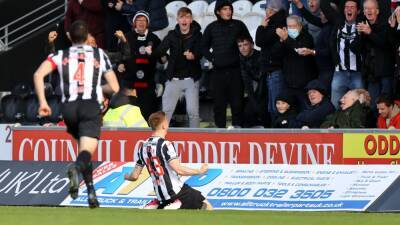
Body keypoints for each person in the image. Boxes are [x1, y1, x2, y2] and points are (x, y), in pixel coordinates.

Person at [33, 20, 120, 208]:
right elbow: (114, 86)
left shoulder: (61, 55)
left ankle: (91, 193)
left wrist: (43, 103)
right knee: (86, 152)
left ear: (70, 37)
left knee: (82, 148)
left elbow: (38, 75)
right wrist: (98, 88)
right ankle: (75, 168)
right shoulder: (99, 54)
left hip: (68, 109)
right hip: (89, 106)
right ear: (87, 35)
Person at [124, 111, 213, 210]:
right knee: (207, 205)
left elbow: (134, 176)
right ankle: (176, 203)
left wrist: (126, 176)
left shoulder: (143, 147)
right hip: (177, 192)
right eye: (166, 121)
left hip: (161, 195)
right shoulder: (165, 145)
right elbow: (179, 170)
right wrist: (200, 171)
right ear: (163, 126)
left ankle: (165, 204)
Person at [201, 0, 251, 128]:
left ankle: (238, 132)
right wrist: (213, 58)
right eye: (224, 9)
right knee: (219, 106)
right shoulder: (211, 27)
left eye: (229, 9)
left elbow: (248, 42)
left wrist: (243, 54)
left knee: (237, 104)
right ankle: (220, 133)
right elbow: (203, 46)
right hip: (218, 73)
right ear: (218, 11)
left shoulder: (239, 25)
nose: (228, 11)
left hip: (236, 72)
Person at [151, 7, 202, 128]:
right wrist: (152, 51)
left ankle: (194, 140)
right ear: (177, 20)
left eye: (187, 17)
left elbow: (201, 52)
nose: (184, 20)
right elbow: (160, 51)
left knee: (193, 113)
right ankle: (161, 137)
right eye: (182, 17)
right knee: (166, 112)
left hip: (191, 79)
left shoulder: (198, 35)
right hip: (173, 79)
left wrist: (193, 56)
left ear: (191, 20)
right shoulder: (171, 35)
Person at [115, 11, 161, 120]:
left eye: (144, 20)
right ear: (134, 23)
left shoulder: (154, 38)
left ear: (147, 23)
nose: (141, 23)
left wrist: (157, 54)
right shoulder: (126, 37)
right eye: (139, 20)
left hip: (148, 85)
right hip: (130, 84)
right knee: (128, 114)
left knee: (147, 113)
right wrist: (120, 64)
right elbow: (120, 54)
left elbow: (162, 57)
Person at [320, 0, 364, 109]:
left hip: (357, 73)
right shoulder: (338, 21)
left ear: (358, 11)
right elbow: (324, 5)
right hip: (340, 72)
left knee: (359, 106)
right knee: (335, 106)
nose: (349, 9)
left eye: (352, 7)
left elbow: (358, 48)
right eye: (346, 7)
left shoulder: (363, 24)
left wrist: (361, 34)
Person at [358, 0, 396, 114]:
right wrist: (360, 35)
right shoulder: (362, 25)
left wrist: (370, 33)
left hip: (385, 73)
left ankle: (387, 129)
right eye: (366, 9)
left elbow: (386, 45)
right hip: (371, 73)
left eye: (372, 8)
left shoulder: (386, 24)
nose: (369, 11)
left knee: (386, 104)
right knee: (373, 106)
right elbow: (355, 49)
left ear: (377, 11)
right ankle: (374, 129)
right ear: (363, 12)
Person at [276, 15, 318, 111]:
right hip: (289, 84)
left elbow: (300, 50)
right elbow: (276, 55)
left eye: (293, 26)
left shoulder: (307, 37)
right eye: (289, 26)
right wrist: (281, 42)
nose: (291, 29)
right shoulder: (285, 39)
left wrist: (287, 39)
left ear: (300, 26)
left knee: (306, 109)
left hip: (305, 84)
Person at [256, 0, 287, 119]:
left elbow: (259, 41)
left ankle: (278, 134)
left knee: (276, 107)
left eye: (267, 9)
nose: (265, 12)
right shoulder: (275, 22)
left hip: (275, 70)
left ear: (271, 11)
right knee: (272, 106)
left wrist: (261, 26)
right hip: (271, 70)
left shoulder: (276, 24)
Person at [237, 36, 267, 128]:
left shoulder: (261, 56)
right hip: (249, 93)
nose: (242, 48)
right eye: (240, 46)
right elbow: (246, 81)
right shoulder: (239, 59)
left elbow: (261, 78)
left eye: (245, 44)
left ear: (252, 45)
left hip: (264, 90)